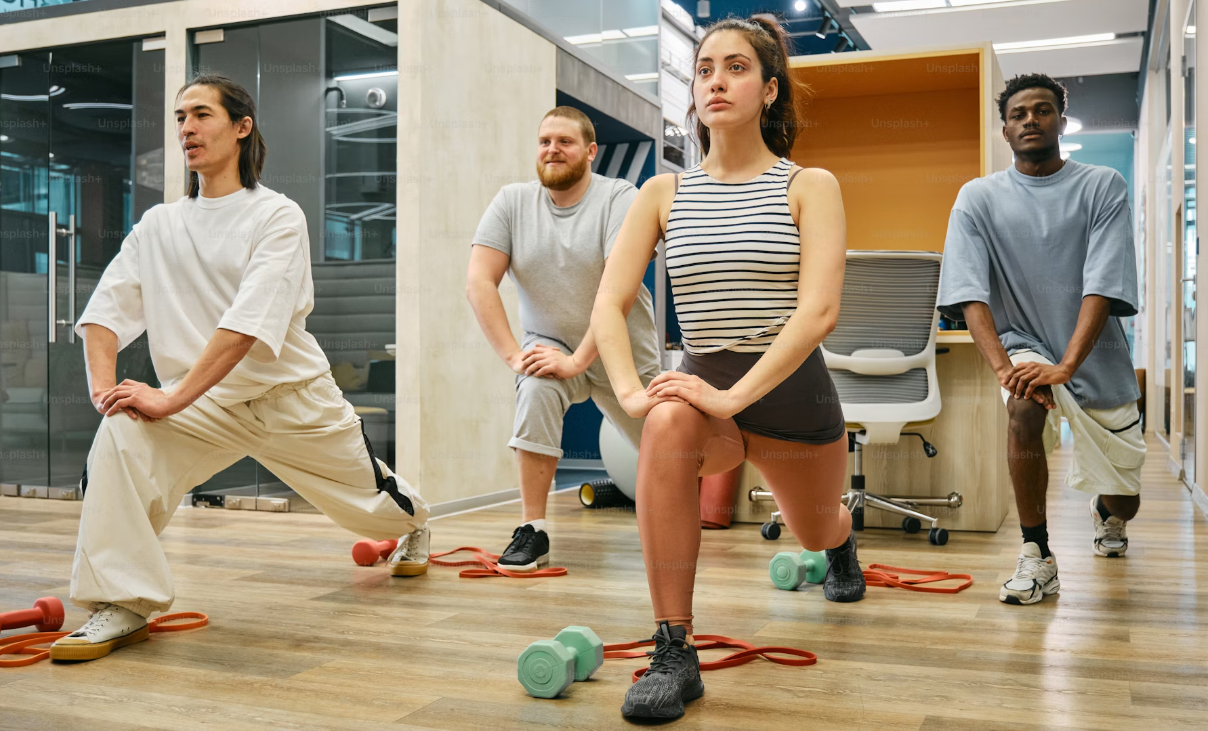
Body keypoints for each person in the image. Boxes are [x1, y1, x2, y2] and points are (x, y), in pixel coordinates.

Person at [50, 75, 430, 662]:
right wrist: (106, 392)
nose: (186, 128)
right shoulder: (159, 226)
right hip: (204, 405)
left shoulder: (278, 216)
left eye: (201, 114)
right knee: (120, 436)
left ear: (241, 126)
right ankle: (123, 602)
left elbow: (245, 327)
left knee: (365, 506)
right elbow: (104, 313)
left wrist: (169, 398)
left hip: (291, 399)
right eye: (180, 117)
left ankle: (416, 523)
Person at [591, 17, 860, 720]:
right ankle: (674, 646)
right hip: (706, 393)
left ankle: (843, 538)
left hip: (793, 399)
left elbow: (819, 311)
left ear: (770, 90)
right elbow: (610, 302)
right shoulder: (664, 194)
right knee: (670, 417)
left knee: (814, 528)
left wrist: (734, 392)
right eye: (705, 68)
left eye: (736, 68)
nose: (716, 79)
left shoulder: (810, 185)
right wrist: (629, 392)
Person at [937, 73, 1144, 606]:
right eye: (1019, 113)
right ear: (1005, 129)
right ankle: (1037, 555)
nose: (1031, 119)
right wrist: (1007, 371)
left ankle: (1105, 513)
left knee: (1126, 500)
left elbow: (1104, 282)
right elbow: (967, 290)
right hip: (1022, 338)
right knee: (1023, 411)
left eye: (1043, 110)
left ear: (1061, 121)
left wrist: (1068, 366)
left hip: (1096, 353)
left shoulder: (1102, 185)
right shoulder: (977, 197)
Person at [467, 106, 660, 571]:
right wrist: (515, 356)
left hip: (623, 354)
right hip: (551, 347)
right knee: (534, 388)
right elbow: (479, 282)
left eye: (565, 141)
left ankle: (673, 528)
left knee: (674, 454)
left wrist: (580, 362)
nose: (552, 149)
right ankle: (533, 529)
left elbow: (620, 289)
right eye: (544, 141)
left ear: (590, 151)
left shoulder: (620, 198)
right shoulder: (512, 203)